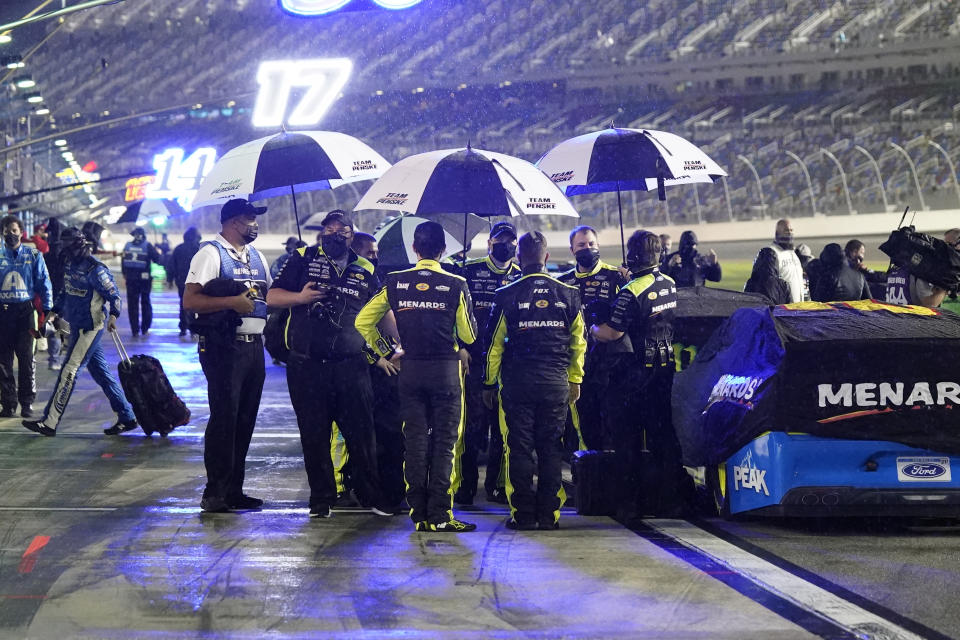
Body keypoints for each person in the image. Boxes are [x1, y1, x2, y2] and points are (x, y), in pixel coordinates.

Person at [266, 211, 394, 518]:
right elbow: (271, 297)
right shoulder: (302, 258)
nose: (334, 234)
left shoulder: (364, 267)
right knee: (314, 435)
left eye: (341, 230)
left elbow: (381, 311)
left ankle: (370, 496)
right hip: (308, 365)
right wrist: (301, 296)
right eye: (329, 229)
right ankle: (321, 500)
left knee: (362, 434)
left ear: (351, 235)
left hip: (351, 364)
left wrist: (401, 344)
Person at [355, 221, 479, 533]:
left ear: (414, 249)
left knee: (414, 442)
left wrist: (386, 351)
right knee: (444, 443)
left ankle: (419, 514)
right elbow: (468, 334)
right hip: (445, 372)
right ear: (442, 250)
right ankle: (440, 514)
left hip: (409, 371)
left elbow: (363, 320)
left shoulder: (395, 281)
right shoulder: (455, 283)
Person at [482, 231, 586, 530]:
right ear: (547, 257)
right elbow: (579, 343)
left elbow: (494, 346)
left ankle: (524, 515)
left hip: (518, 384)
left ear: (518, 257)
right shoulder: (569, 293)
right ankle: (549, 516)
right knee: (551, 448)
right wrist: (575, 379)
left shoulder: (506, 294)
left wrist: (488, 383)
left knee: (519, 448)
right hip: (556, 383)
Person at [591, 230, 689, 520]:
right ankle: (670, 501)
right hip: (665, 368)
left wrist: (592, 329)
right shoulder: (670, 283)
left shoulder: (630, 292)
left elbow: (613, 332)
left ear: (633, 256)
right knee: (663, 437)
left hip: (636, 374)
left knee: (627, 440)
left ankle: (629, 505)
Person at [183, 199, 271, 513]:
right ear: (233, 222)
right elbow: (190, 300)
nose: (255, 225)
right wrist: (233, 303)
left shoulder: (258, 257)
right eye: (250, 219)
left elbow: (269, 296)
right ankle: (214, 492)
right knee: (225, 417)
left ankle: (234, 489)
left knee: (245, 419)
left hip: (254, 347)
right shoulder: (210, 254)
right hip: (224, 347)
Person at [22, 225, 137, 436]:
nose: (65, 251)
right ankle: (127, 416)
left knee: (69, 370)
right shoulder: (69, 264)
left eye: (68, 247)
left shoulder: (96, 269)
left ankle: (50, 422)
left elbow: (115, 297)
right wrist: (53, 312)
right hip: (76, 327)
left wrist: (113, 316)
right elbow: (65, 292)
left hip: (90, 328)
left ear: (78, 245)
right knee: (101, 374)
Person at [454, 221, 521, 506]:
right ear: (489, 243)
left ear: (516, 246)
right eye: (499, 240)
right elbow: (452, 312)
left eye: (510, 240)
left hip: (508, 365)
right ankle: (465, 486)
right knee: (471, 428)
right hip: (473, 362)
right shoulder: (468, 271)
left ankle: (495, 486)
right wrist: (459, 347)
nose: (504, 244)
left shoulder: (522, 275)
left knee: (503, 429)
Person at [557, 225, 629, 451]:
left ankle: (613, 470)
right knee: (585, 421)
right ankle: (588, 470)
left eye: (591, 244)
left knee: (613, 421)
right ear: (572, 250)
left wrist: (629, 280)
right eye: (581, 245)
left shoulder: (617, 276)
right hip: (579, 364)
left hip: (611, 364)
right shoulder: (562, 282)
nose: (587, 249)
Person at [351, 231, 404, 508]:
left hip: (378, 364)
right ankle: (375, 491)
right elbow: (369, 322)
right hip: (364, 366)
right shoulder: (357, 279)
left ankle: (382, 489)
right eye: (370, 252)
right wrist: (382, 356)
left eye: (376, 252)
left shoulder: (373, 278)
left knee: (384, 430)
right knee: (374, 432)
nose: (375, 257)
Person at [0, 215, 53, 418]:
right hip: (3, 314)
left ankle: (27, 402)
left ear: (21, 232)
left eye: (14, 230)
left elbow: (44, 282)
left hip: (25, 313)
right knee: (3, 361)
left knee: (26, 359)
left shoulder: (33, 255)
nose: (10, 234)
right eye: (6, 230)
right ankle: (8, 403)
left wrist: (47, 310)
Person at [885, 229, 959, 308]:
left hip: (894, 316)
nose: (946, 249)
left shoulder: (898, 265)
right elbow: (930, 305)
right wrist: (945, 288)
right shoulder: (924, 269)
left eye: (948, 245)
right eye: (946, 245)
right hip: (911, 318)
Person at [121, 227, 162, 337]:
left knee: (132, 305)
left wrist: (126, 275)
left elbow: (123, 263)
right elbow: (158, 260)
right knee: (145, 303)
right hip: (144, 280)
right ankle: (145, 328)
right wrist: (157, 248)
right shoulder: (148, 246)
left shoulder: (127, 246)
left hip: (131, 280)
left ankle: (135, 329)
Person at [169, 227, 202, 336]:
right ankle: (193, 328)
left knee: (183, 304)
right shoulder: (199, 249)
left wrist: (170, 279)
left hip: (182, 281)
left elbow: (172, 265)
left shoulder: (179, 249)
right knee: (194, 304)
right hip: (196, 281)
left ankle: (183, 327)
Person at [767, 219, 805, 302]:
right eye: (786, 230)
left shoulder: (793, 253)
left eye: (791, 230)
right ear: (777, 232)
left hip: (800, 307)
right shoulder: (772, 253)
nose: (790, 233)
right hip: (785, 308)